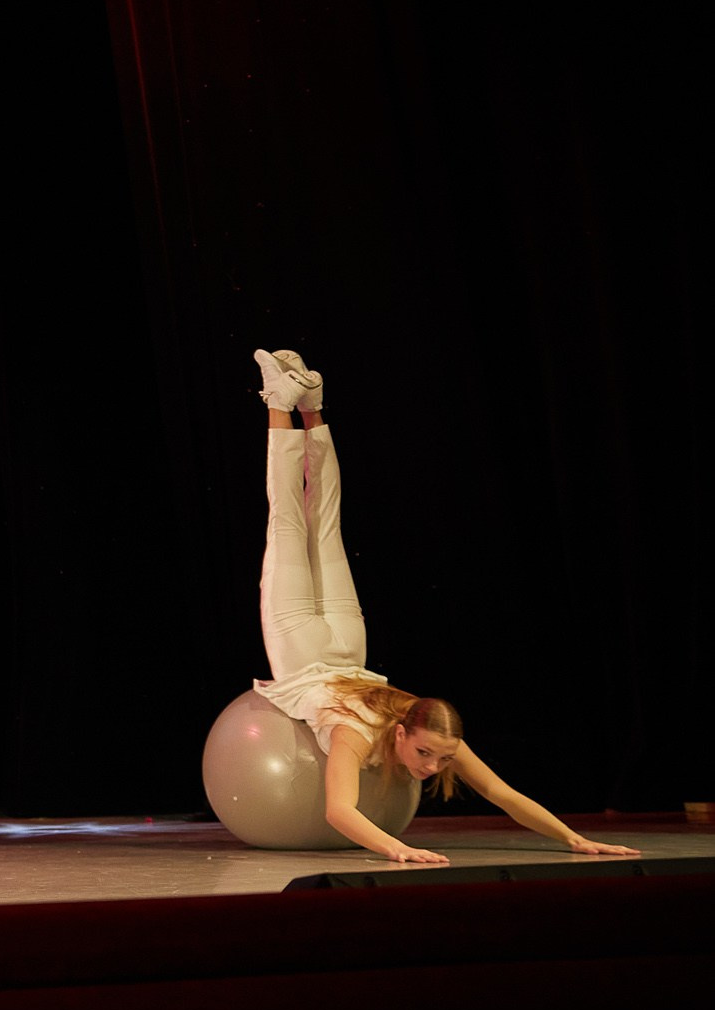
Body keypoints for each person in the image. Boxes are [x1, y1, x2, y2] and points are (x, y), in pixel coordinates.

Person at [248, 349, 640, 864]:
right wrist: (398, 848)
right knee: (302, 525)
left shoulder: (423, 729)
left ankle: (310, 404)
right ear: (403, 730)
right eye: (427, 753)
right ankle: (287, 403)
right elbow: (338, 811)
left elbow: (502, 794)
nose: (432, 766)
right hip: (314, 648)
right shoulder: (354, 730)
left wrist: (573, 839)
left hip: (343, 646)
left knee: (317, 527)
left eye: (439, 757)